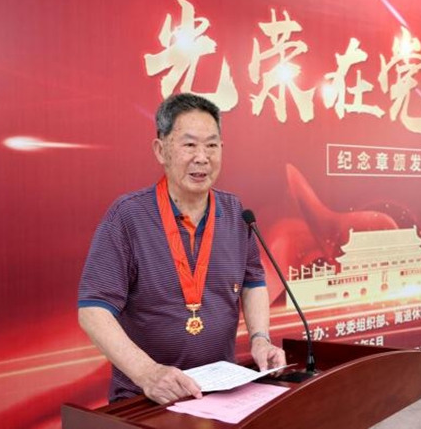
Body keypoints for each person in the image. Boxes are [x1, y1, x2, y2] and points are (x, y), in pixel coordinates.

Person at [78, 92, 286, 404]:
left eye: (212, 146)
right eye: (189, 145)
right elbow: (93, 310)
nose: (202, 157)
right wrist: (147, 373)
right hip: (147, 398)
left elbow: (253, 282)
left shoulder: (235, 212)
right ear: (160, 150)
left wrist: (260, 339)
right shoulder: (128, 216)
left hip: (219, 393)